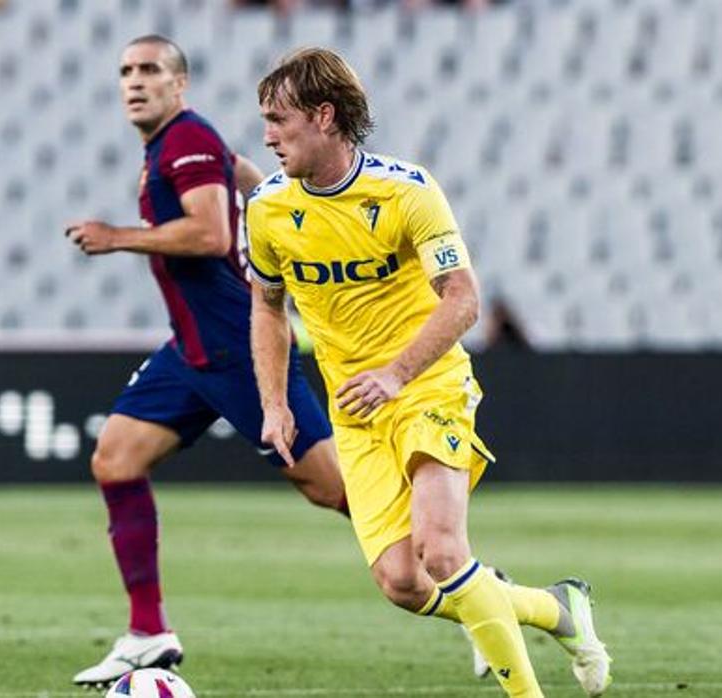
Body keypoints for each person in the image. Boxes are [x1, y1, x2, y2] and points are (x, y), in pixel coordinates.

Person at [246, 47, 612, 697]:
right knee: (405, 584)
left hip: (427, 383)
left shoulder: (405, 190)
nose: (267, 135)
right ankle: (555, 609)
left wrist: (395, 372)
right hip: (355, 409)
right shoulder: (269, 210)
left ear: (325, 116)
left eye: (280, 119)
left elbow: (464, 298)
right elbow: (268, 308)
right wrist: (274, 403)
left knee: (443, 553)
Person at [64, 35, 346, 688]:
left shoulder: (185, 137)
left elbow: (210, 233)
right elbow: (242, 173)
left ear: (179, 83)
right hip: (190, 350)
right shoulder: (182, 143)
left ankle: (470, 586)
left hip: (238, 349)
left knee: (336, 491)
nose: (134, 81)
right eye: (126, 71)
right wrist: (267, 188)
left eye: (150, 70)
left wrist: (118, 238)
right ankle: (148, 632)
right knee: (116, 457)